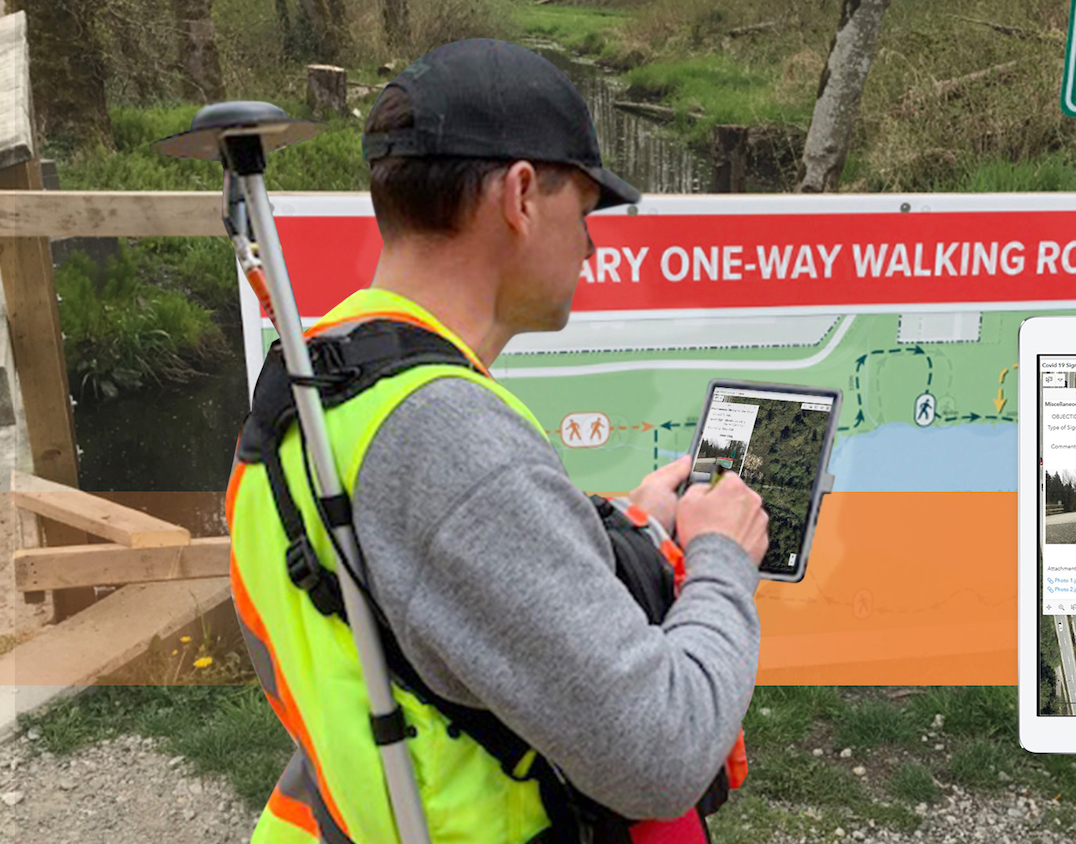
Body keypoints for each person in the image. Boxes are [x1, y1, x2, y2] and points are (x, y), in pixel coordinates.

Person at [226, 39, 769, 844]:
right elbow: (661, 753)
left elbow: (421, 608)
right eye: (584, 213)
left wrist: (640, 529)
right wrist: (722, 561)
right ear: (520, 195)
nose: (592, 246)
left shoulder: (317, 380)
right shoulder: (448, 439)